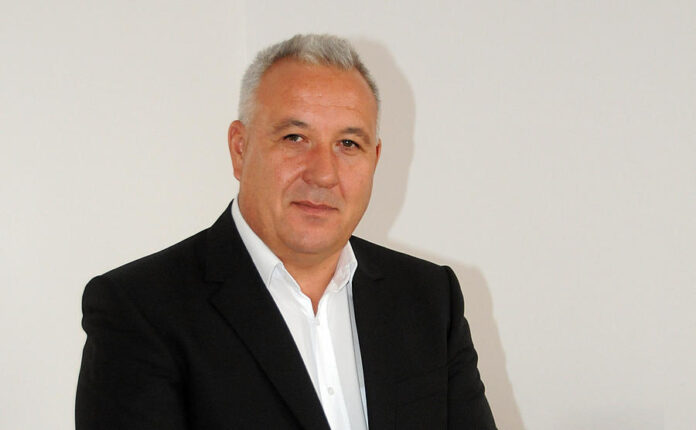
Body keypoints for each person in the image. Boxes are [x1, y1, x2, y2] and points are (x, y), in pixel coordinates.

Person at [76, 34, 496, 430]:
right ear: (240, 149)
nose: (323, 173)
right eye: (295, 138)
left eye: (348, 144)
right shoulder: (140, 311)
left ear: (375, 158)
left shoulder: (429, 298)